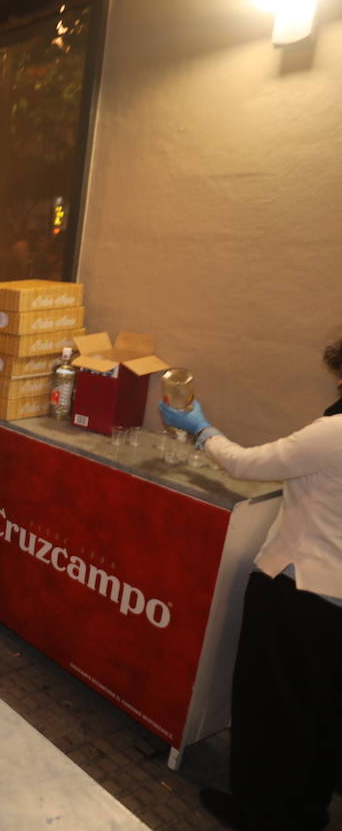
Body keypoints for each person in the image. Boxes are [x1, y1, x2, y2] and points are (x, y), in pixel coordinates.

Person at [160, 338, 342, 831]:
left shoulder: (334, 432)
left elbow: (247, 465)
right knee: (320, 716)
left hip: (300, 591)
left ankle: (260, 813)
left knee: (272, 711)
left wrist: (200, 429)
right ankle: (305, 812)